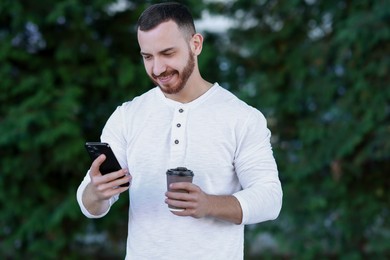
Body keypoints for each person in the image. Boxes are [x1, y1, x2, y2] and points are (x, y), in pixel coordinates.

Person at [76, 2, 282, 259]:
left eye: (167, 53)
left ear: (196, 44)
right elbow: (89, 205)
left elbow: (270, 198)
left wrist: (209, 204)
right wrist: (96, 192)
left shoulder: (242, 117)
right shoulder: (127, 115)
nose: (157, 69)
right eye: (147, 57)